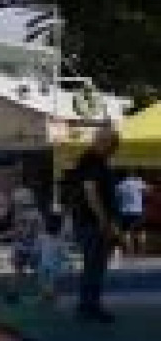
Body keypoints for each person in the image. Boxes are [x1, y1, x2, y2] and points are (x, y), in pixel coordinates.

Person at [64, 127, 121, 322]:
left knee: (95, 265)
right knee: (94, 265)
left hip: (88, 221)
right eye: (114, 144)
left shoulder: (92, 160)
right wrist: (103, 220)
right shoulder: (92, 161)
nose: (115, 149)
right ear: (103, 142)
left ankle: (89, 305)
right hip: (91, 223)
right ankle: (89, 307)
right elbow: (91, 191)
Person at [8, 196, 45, 303]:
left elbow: (17, 231)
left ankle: (13, 292)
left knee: (18, 271)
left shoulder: (19, 214)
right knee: (37, 270)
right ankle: (44, 292)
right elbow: (41, 230)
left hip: (21, 246)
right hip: (33, 246)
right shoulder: (38, 214)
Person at [35, 212, 70, 306]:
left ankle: (48, 295)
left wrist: (65, 260)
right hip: (50, 264)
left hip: (49, 264)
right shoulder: (46, 237)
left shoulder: (45, 237)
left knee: (48, 281)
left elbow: (37, 249)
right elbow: (63, 252)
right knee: (49, 281)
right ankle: (47, 295)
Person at [115, 171, 147, 256]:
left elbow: (117, 196)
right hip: (138, 211)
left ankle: (129, 252)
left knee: (126, 232)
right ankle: (141, 251)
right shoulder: (139, 182)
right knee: (140, 232)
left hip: (125, 211)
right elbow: (146, 192)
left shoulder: (120, 185)